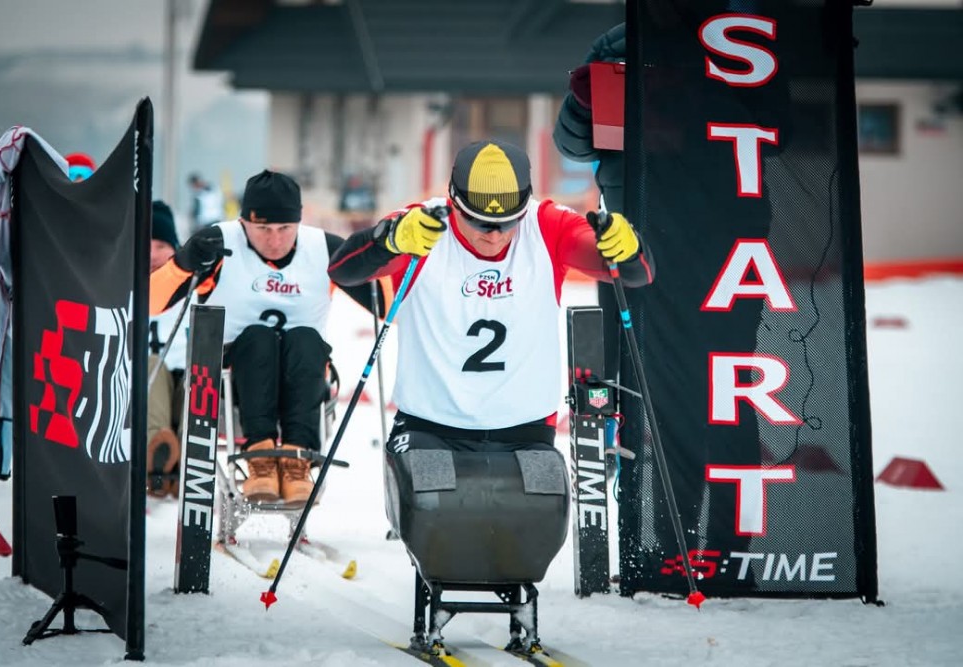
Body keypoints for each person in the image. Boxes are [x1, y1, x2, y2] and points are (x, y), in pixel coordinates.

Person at [553, 12, 789, 593]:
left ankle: (732, 554)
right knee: (644, 397)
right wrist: (583, 103)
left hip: (725, 248)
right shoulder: (616, 42)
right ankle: (662, 550)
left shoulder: (746, 37)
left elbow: (780, 130)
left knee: (726, 394)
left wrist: (690, 99)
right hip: (635, 244)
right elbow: (572, 144)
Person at [328, 139, 654, 458]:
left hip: (525, 430)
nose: (494, 234)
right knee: (429, 508)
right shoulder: (423, 225)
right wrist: (390, 239)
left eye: (507, 221)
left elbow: (637, 274)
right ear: (453, 202)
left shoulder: (547, 225)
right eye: (479, 221)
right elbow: (343, 270)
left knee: (543, 510)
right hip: (428, 428)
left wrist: (627, 247)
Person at [150, 170, 377, 506]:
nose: (274, 240)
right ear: (243, 224)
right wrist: (182, 264)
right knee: (257, 337)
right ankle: (260, 459)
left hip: (301, 372)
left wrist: (385, 252)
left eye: (285, 229)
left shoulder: (323, 248)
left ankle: (296, 461)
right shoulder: (220, 243)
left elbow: (385, 302)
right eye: (263, 229)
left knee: (305, 338)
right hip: (232, 379)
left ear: (299, 223)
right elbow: (152, 303)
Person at [146, 200, 187, 497]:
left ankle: (175, 458)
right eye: (146, 244)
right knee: (151, 365)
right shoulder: (122, 287)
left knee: (197, 381)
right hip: (149, 378)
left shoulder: (196, 287)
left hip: (186, 375)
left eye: (161, 245)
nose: (152, 254)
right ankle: (157, 450)